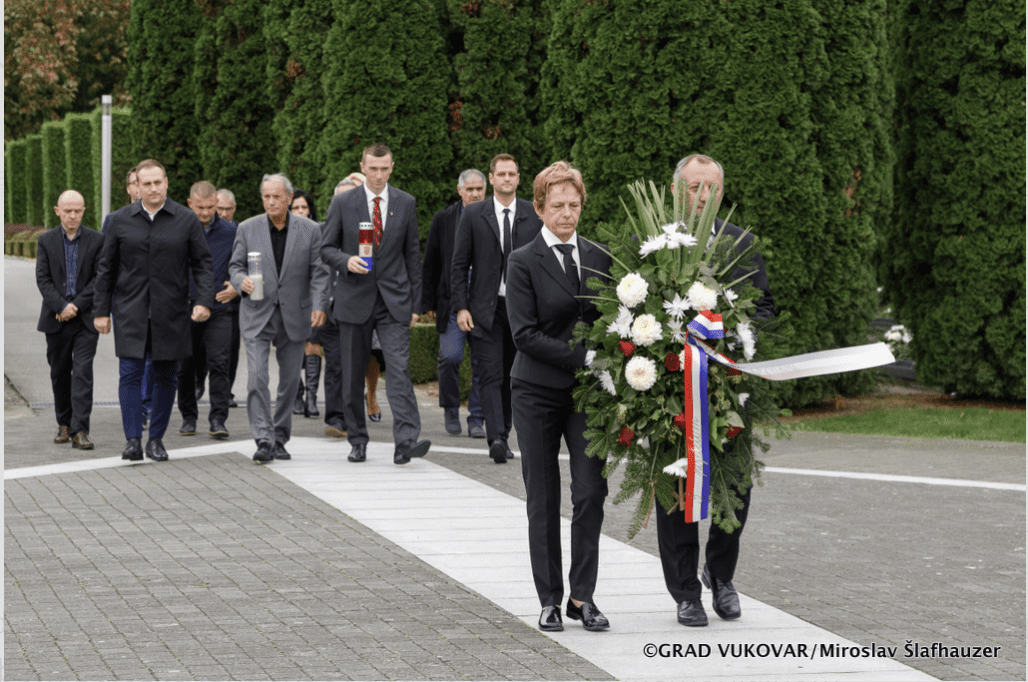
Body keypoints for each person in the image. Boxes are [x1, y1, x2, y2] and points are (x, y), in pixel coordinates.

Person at [658, 154, 776, 627]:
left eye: (712, 188)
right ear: (676, 192)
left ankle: (721, 575)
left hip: (729, 387)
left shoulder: (741, 244)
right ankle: (686, 592)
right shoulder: (658, 242)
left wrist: (729, 332)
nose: (703, 196)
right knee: (677, 488)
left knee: (736, 486)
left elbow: (764, 307)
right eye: (694, 188)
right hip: (673, 389)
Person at [506, 161, 612, 632]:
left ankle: (582, 597)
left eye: (574, 205)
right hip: (536, 391)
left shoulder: (600, 257)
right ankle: (549, 598)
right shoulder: (522, 260)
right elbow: (524, 334)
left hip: (587, 395)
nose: (567, 214)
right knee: (543, 496)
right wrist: (586, 356)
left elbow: (613, 319)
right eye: (557, 206)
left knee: (590, 492)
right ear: (539, 208)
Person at [93, 158, 214, 462]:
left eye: (158, 182)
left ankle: (156, 440)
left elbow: (202, 263)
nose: (153, 188)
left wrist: (203, 301)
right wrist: (101, 311)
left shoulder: (186, 220)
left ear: (166, 182)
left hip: (171, 312)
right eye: (146, 183)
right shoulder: (119, 221)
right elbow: (106, 268)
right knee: (130, 375)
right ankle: (133, 440)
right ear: (137, 186)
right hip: (130, 311)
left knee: (166, 377)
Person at [320, 143, 430, 465]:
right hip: (354, 299)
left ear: (392, 167)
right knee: (353, 375)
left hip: (394, 301)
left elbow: (412, 255)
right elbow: (326, 248)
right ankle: (357, 440)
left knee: (399, 370)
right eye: (373, 168)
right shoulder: (343, 202)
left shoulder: (405, 202)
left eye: (384, 169)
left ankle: (406, 442)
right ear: (362, 167)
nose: (379, 175)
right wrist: (346, 261)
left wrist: (415, 305)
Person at [228, 173, 329, 463]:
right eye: (266, 197)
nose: (271, 202)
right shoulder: (248, 228)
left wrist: (319, 304)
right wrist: (242, 281)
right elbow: (235, 267)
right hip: (257, 313)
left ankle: (280, 437)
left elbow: (319, 271)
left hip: (295, 314)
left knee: (289, 382)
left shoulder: (310, 230)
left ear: (289, 198)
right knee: (257, 377)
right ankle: (263, 438)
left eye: (276, 196)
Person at [450, 153, 543, 463]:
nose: (506, 178)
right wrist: (461, 307)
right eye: (501, 174)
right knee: (490, 374)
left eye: (511, 174)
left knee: (513, 376)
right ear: (491, 178)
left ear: (518, 178)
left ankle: (503, 430)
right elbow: (459, 264)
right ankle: (497, 439)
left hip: (523, 311)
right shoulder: (474, 214)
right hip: (485, 310)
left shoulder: (533, 213)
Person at [36, 190, 104, 450]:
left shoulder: (97, 240)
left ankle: (80, 430)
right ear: (57, 211)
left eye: (77, 211)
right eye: (68, 211)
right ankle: (64, 423)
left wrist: (75, 306)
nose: (73, 216)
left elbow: (99, 278)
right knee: (60, 372)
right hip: (56, 318)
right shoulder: (46, 240)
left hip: (85, 319)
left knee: (83, 373)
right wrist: (61, 305)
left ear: (84, 211)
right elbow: (43, 278)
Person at [421, 169, 486, 438]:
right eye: (469, 189)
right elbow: (431, 261)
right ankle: (450, 407)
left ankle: (477, 418)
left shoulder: (493, 217)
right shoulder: (444, 218)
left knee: (484, 363)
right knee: (450, 357)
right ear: (459, 191)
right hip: (451, 303)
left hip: (484, 304)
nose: (475, 194)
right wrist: (427, 302)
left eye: (479, 189)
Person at [176, 181, 238, 440]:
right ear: (190, 203)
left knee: (220, 363)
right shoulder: (179, 228)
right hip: (185, 307)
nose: (205, 213)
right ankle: (188, 417)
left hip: (219, 307)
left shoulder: (232, 231)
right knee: (184, 366)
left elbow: (241, 263)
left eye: (210, 207)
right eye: (200, 208)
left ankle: (218, 419)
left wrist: (236, 285)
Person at [287, 188, 324, 419]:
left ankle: (311, 398)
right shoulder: (281, 232)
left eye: (304, 207)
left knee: (313, 344)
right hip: (288, 298)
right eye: (296, 207)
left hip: (312, 296)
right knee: (291, 346)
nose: (300, 211)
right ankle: (297, 394)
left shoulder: (318, 231)